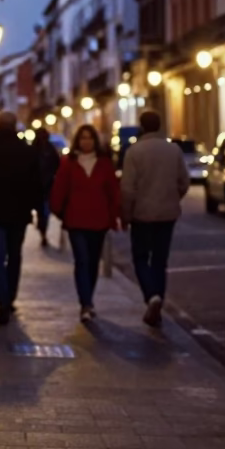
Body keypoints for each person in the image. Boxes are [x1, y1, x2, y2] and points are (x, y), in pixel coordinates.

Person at [121, 109, 189, 327]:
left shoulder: (134, 152)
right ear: (159, 125)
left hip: (142, 214)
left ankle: (151, 296)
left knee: (141, 257)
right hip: (167, 213)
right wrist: (173, 197)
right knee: (160, 260)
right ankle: (157, 299)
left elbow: (127, 189)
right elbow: (184, 182)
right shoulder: (173, 150)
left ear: (142, 126)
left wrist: (126, 213)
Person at [50, 124, 120, 322]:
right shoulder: (68, 163)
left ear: (95, 140)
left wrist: (115, 216)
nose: (86, 141)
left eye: (89, 138)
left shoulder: (104, 163)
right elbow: (59, 189)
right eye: (83, 138)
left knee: (92, 262)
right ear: (77, 141)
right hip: (76, 220)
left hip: (99, 220)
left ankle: (88, 298)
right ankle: (86, 303)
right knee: (81, 260)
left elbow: (113, 191)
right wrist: (59, 212)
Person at [0, 110, 41, 325]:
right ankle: (10, 297)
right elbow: (36, 184)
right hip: (19, 214)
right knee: (14, 256)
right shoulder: (26, 151)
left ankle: (2, 300)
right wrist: (33, 208)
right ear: (15, 126)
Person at [33, 126, 60, 248]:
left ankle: (42, 229)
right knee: (43, 211)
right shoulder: (47, 149)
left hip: (44, 186)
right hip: (42, 186)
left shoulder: (46, 149)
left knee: (43, 211)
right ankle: (42, 229)